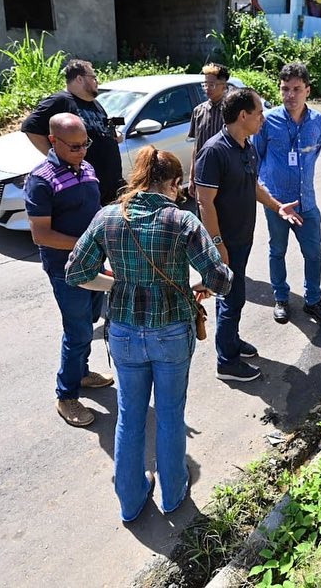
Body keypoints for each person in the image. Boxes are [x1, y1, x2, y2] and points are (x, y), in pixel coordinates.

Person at [65, 146, 232, 522]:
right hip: (172, 332)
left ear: (138, 178)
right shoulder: (183, 221)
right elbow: (220, 279)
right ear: (173, 184)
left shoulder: (108, 216)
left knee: (129, 415)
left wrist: (116, 284)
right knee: (171, 416)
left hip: (123, 332)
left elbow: (75, 272)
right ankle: (173, 493)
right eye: (179, 187)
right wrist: (201, 283)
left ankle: (130, 499)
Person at [195, 88, 303, 382]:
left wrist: (277, 206)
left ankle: (230, 342)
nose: (262, 118)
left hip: (242, 239)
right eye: (258, 113)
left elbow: (253, 186)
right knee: (233, 298)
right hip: (224, 242)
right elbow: (204, 201)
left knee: (230, 297)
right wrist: (217, 245)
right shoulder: (214, 151)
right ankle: (226, 362)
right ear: (243, 116)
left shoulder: (247, 146)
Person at [24, 113, 114, 428]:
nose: (81, 151)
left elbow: (94, 211)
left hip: (94, 263)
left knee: (90, 321)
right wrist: (86, 243)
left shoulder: (87, 168)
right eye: (74, 146)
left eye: (84, 144)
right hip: (67, 271)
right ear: (53, 141)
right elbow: (41, 235)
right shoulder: (40, 180)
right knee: (77, 332)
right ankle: (66, 395)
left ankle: (83, 372)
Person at [255, 62, 321, 325]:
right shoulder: (268, 120)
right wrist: (265, 193)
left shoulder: (318, 122)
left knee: (313, 253)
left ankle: (313, 300)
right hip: (276, 202)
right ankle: (280, 297)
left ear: (308, 91)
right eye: (285, 89)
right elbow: (257, 156)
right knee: (276, 250)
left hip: (306, 202)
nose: (290, 95)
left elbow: (314, 154)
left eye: (296, 89)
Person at [21, 59, 125, 204]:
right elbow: (30, 127)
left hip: (111, 185)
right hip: (84, 188)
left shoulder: (94, 104)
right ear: (79, 78)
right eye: (94, 77)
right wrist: (59, 161)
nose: (97, 81)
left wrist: (114, 135)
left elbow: (100, 130)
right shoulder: (60, 101)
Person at [187, 63, 230, 204]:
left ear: (223, 85)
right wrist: (192, 176)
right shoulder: (198, 111)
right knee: (203, 213)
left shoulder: (231, 112)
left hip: (225, 174)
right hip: (203, 173)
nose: (207, 89)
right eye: (205, 84)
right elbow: (196, 147)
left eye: (211, 84)